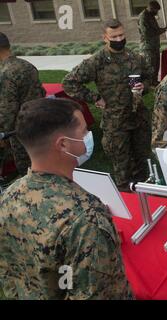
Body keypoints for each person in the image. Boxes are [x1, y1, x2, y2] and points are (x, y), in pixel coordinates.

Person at [0, 98, 132, 299]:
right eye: (85, 131)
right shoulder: (86, 218)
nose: (88, 136)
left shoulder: (9, 195)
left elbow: (10, 271)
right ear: (63, 144)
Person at [63, 19, 152, 191]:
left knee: (142, 161)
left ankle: (146, 192)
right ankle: (127, 199)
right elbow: (69, 82)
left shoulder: (135, 58)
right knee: (121, 165)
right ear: (105, 37)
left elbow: (149, 77)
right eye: (114, 36)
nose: (119, 39)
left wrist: (144, 86)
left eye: (121, 35)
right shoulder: (97, 61)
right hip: (116, 122)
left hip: (138, 118)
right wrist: (95, 97)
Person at [0, 32, 46, 176]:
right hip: (39, 123)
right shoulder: (27, 65)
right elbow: (41, 91)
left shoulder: (5, 74)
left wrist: (3, 136)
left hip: (20, 131)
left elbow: (7, 110)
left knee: (28, 171)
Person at [138, 1, 167, 85]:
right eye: (156, 10)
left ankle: (154, 82)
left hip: (154, 45)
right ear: (151, 8)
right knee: (150, 66)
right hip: (147, 47)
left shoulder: (151, 15)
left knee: (156, 64)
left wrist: (160, 30)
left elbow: (154, 29)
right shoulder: (143, 17)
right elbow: (146, 33)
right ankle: (148, 84)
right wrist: (160, 31)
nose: (157, 12)